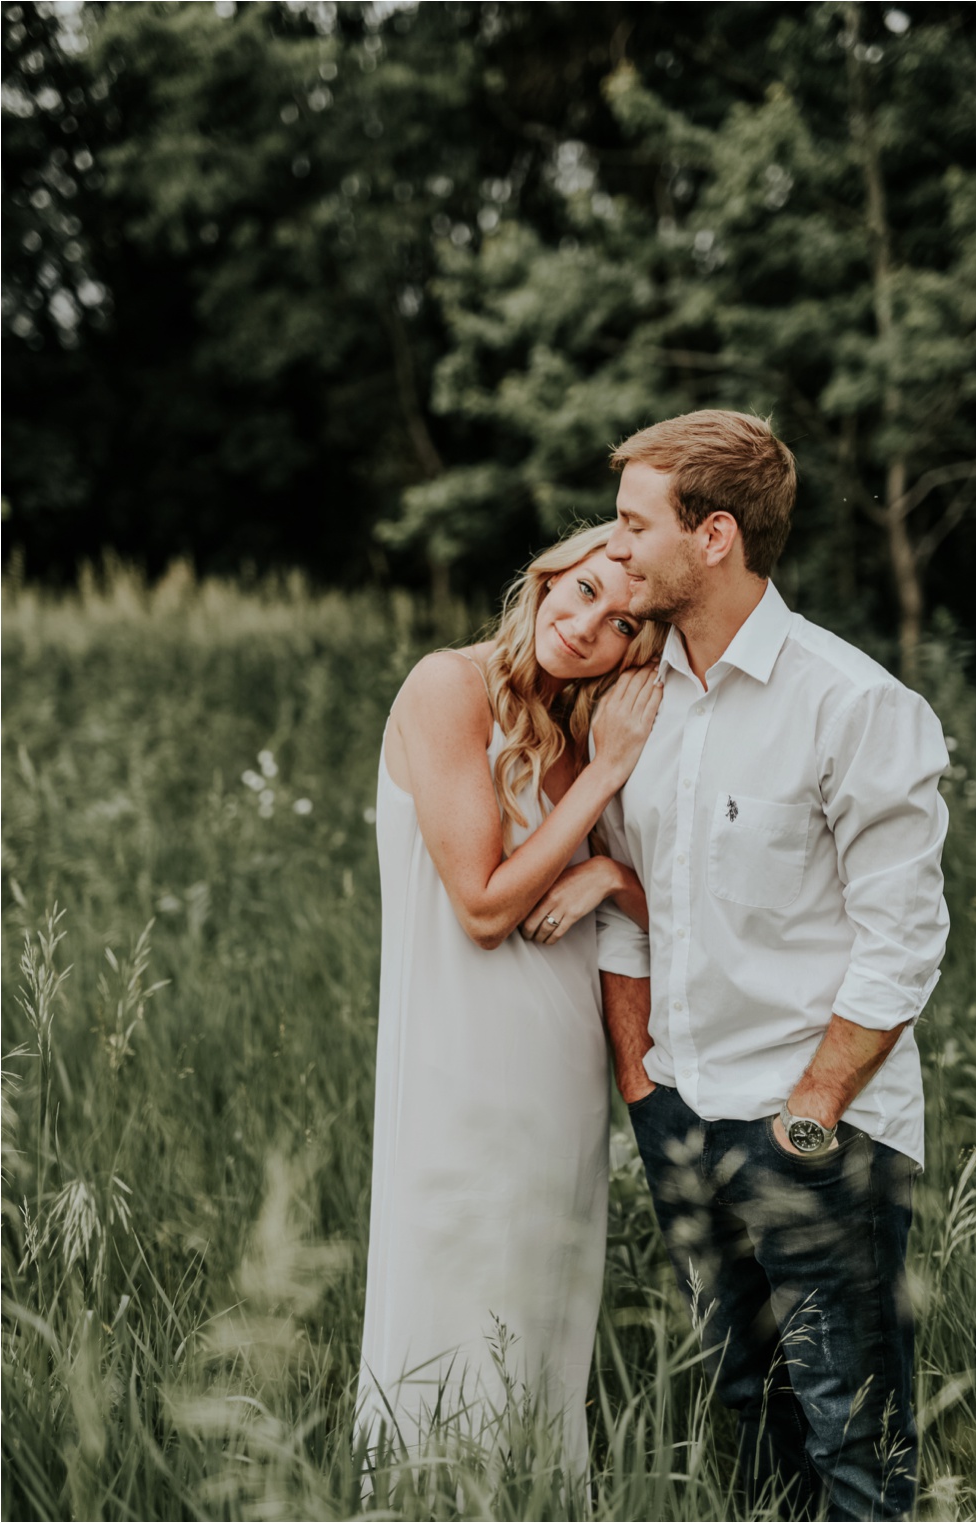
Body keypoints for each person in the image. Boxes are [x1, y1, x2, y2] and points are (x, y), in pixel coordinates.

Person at [596, 410, 949, 1522]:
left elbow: (903, 941)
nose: (613, 550)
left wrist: (811, 1110)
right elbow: (629, 911)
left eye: (631, 524)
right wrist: (645, 1091)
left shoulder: (852, 704)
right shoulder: (638, 703)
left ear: (712, 537)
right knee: (750, 1419)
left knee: (854, 1439)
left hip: (814, 1132)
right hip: (682, 1118)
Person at [356, 521, 666, 1473]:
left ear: (633, 652)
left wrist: (612, 877)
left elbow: (673, 907)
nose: (586, 627)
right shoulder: (448, 687)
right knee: (457, 1273)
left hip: (563, 1072)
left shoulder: (584, 733)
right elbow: (485, 905)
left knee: (540, 1290)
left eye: (620, 623)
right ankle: (423, 1490)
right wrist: (609, 773)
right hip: (460, 1056)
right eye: (582, 592)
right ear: (548, 575)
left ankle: (538, 1492)